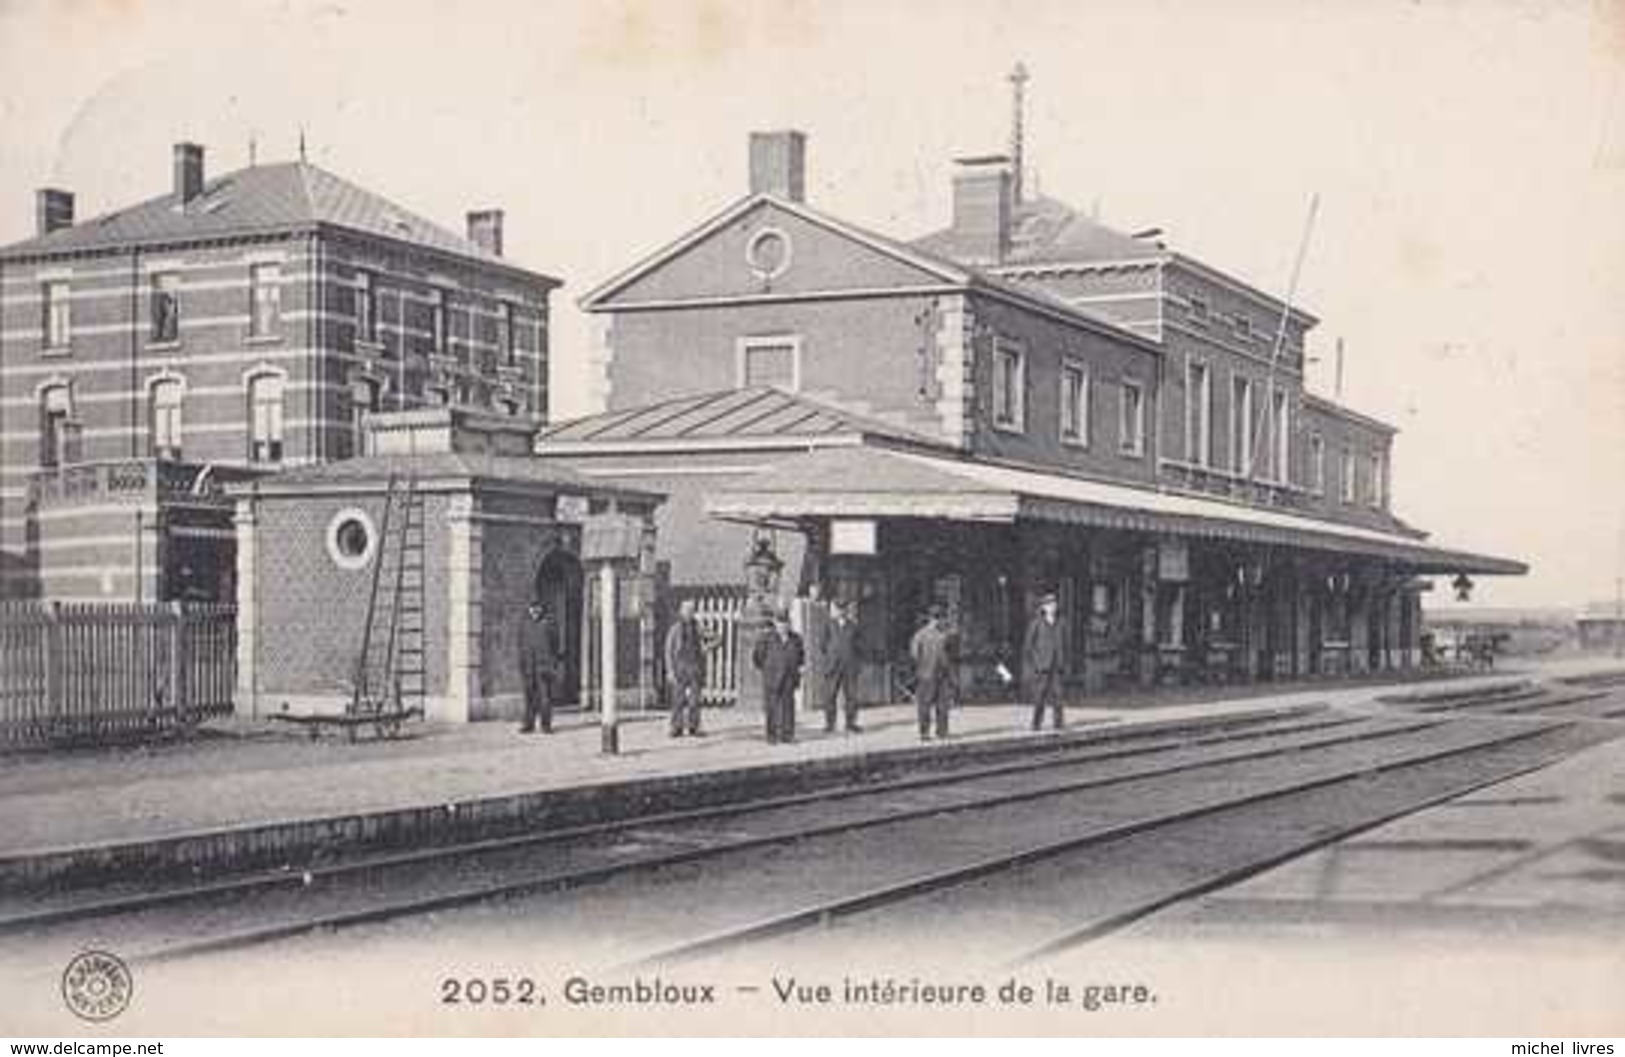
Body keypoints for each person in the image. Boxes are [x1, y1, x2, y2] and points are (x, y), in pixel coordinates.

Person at [664, 599, 719, 737]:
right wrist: (670, 670)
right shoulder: (675, 629)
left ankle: (694, 726)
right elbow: (668, 651)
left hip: (695, 666)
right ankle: (676, 727)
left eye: (691, 610)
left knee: (695, 699)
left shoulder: (698, 627)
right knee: (678, 699)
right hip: (680, 666)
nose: (689, 613)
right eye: (686, 610)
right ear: (681, 612)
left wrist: (706, 647)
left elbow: (716, 638)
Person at [752, 607, 805, 744]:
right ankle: (772, 736)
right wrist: (767, 670)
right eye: (780, 622)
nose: (783, 626)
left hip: (789, 677)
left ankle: (788, 735)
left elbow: (800, 657)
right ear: (775, 624)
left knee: (788, 707)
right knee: (772, 707)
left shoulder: (796, 639)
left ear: (790, 623)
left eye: (786, 622)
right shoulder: (767, 639)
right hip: (772, 677)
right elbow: (758, 657)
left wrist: (797, 671)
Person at [909, 604, 957, 741]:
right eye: (937, 618)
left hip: (940, 674)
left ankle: (941, 731)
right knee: (925, 705)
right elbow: (914, 654)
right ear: (931, 619)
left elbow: (949, 654)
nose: (939, 621)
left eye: (940, 618)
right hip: (927, 674)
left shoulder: (944, 634)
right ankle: (925, 733)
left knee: (942, 705)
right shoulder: (922, 635)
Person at [517, 599, 564, 734]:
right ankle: (528, 724)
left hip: (544, 667)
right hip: (528, 667)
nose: (535, 612)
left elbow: (556, 645)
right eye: (533, 609)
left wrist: (553, 663)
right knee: (529, 698)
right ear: (529, 610)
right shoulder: (525, 625)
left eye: (538, 609)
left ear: (541, 610)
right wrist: (522, 664)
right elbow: (521, 645)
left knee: (545, 698)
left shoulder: (549, 624)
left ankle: (546, 725)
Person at [1023, 591, 1066, 730]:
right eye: (1049, 604)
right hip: (1042, 667)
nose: (1052, 607)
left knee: (1058, 696)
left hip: (1056, 665)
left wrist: (1063, 660)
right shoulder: (1036, 623)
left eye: (1054, 604)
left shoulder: (1060, 623)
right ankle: (1036, 724)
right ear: (1043, 607)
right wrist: (1035, 663)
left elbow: (1064, 643)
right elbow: (1028, 646)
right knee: (1040, 697)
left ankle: (1058, 724)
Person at [820, 599, 863, 733]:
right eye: (839, 609)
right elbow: (822, 644)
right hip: (833, 666)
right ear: (835, 610)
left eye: (843, 609)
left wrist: (854, 660)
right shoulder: (829, 625)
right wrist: (831, 657)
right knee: (830, 695)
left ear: (847, 611)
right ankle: (830, 724)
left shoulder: (853, 626)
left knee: (851, 696)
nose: (841, 612)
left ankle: (850, 723)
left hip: (849, 666)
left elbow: (859, 645)